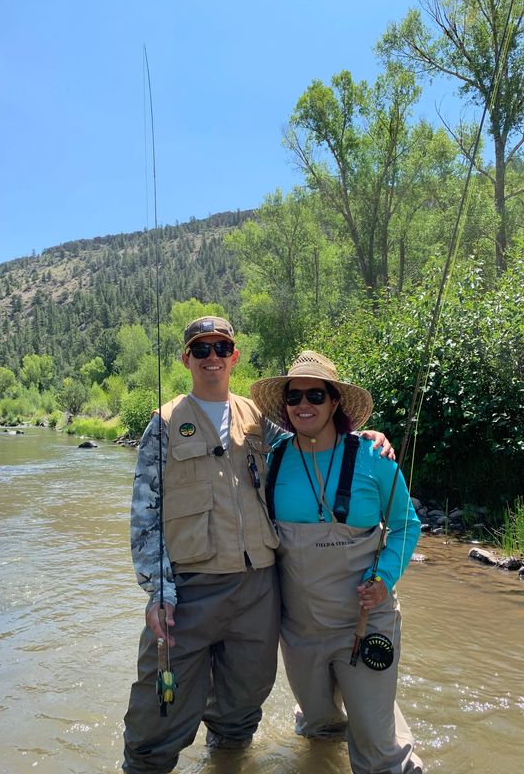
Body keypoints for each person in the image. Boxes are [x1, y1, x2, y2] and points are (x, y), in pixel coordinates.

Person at [123, 317, 394, 774]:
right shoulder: (164, 423)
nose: (212, 357)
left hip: (258, 587)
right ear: (186, 358)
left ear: (235, 356)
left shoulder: (259, 420)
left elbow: (313, 440)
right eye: (201, 349)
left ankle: (226, 760)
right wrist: (157, 590)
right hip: (188, 589)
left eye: (221, 347)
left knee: (243, 701)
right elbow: (145, 513)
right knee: (161, 708)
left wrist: (361, 440)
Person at [250, 350, 423, 774]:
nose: (303, 405)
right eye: (294, 398)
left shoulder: (373, 457)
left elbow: (405, 526)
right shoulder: (271, 460)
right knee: (319, 729)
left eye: (315, 395)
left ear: (335, 403)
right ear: (285, 407)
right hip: (300, 630)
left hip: (365, 623)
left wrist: (384, 577)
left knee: (380, 754)